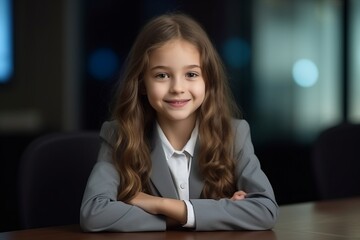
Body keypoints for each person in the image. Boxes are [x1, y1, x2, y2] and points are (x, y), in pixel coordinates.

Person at [80, 12, 278, 232]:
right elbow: (94, 214)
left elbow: (265, 210)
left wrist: (160, 205)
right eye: (162, 75)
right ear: (142, 83)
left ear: (208, 81)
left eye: (191, 74)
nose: (177, 88)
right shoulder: (118, 135)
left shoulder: (234, 133)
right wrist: (194, 216)